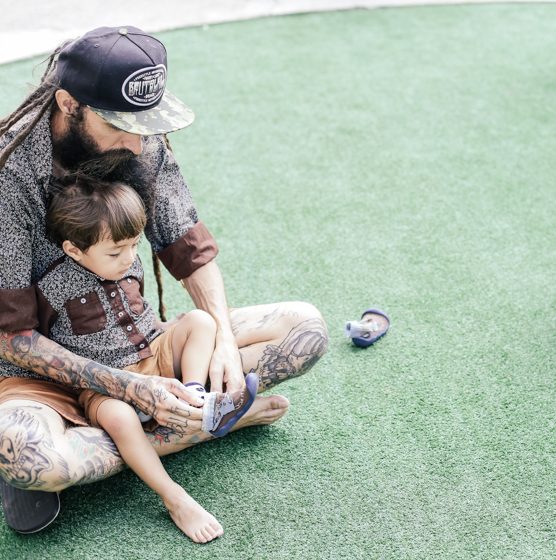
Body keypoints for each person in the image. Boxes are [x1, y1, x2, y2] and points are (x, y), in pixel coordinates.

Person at [0, 26, 329, 534]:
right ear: (69, 104)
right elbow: (13, 335)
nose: (136, 141)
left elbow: (191, 253)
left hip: (145, 352)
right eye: (118, 124)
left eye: (145, 124)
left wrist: (219, 339)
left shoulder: (142, 143)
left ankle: (155, 433)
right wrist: (132, 389)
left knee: (305, 330)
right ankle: (216, 420)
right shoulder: (10, 174)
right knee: (29, 456)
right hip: (35, 376)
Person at [41, 176, 260, 542]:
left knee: (201, 321)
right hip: (106, 383)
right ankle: (174, 497)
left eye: (133, 246)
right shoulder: (54, 286)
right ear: (74, 250)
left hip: (151, 353)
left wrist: (165, 326)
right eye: (115, 252)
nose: (128, 258)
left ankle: (195, 401)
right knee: (121, 418)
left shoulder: (128, 261)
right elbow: (40, 340)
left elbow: (136, 313)